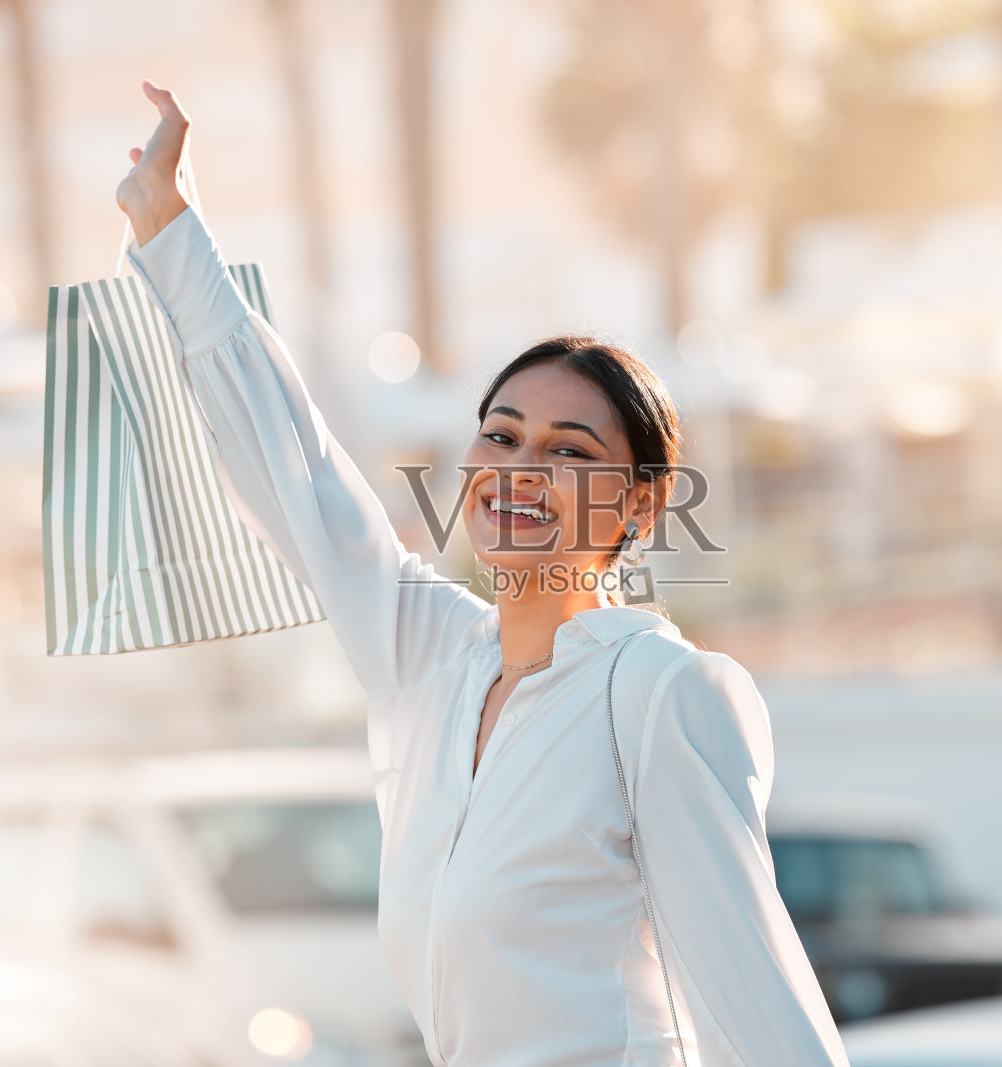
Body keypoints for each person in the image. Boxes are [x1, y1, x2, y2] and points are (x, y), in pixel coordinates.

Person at [116, 78, 849, 1067]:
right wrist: (172, 233)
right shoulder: (437, 662)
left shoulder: (660, 692)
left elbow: (754, 1001)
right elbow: (301, 479)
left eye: (568, 450)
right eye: (499, 435)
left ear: (637, 506)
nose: (518, 469)